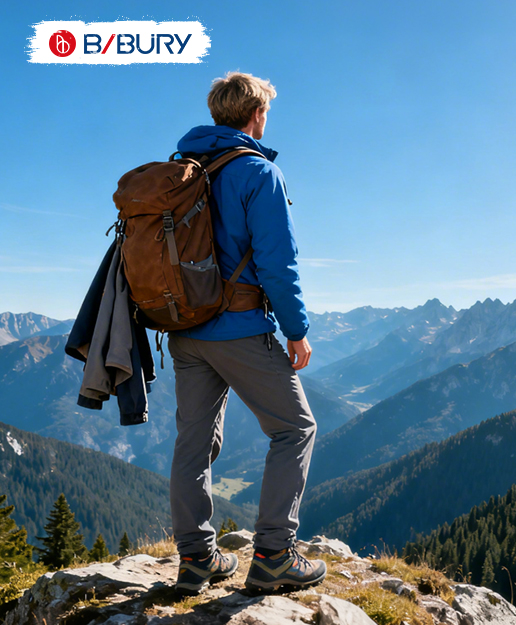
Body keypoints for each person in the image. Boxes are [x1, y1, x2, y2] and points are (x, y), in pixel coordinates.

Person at [170, 71, 325, 595]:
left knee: (194, 443)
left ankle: (196, 560)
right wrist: (296, 330)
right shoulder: (258, 171)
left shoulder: (182, 170)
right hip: (237, 328)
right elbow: (278, 263)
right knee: (295, 428)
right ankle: (275, 555)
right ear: (256, 114)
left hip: (184, 329)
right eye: (266, 114)